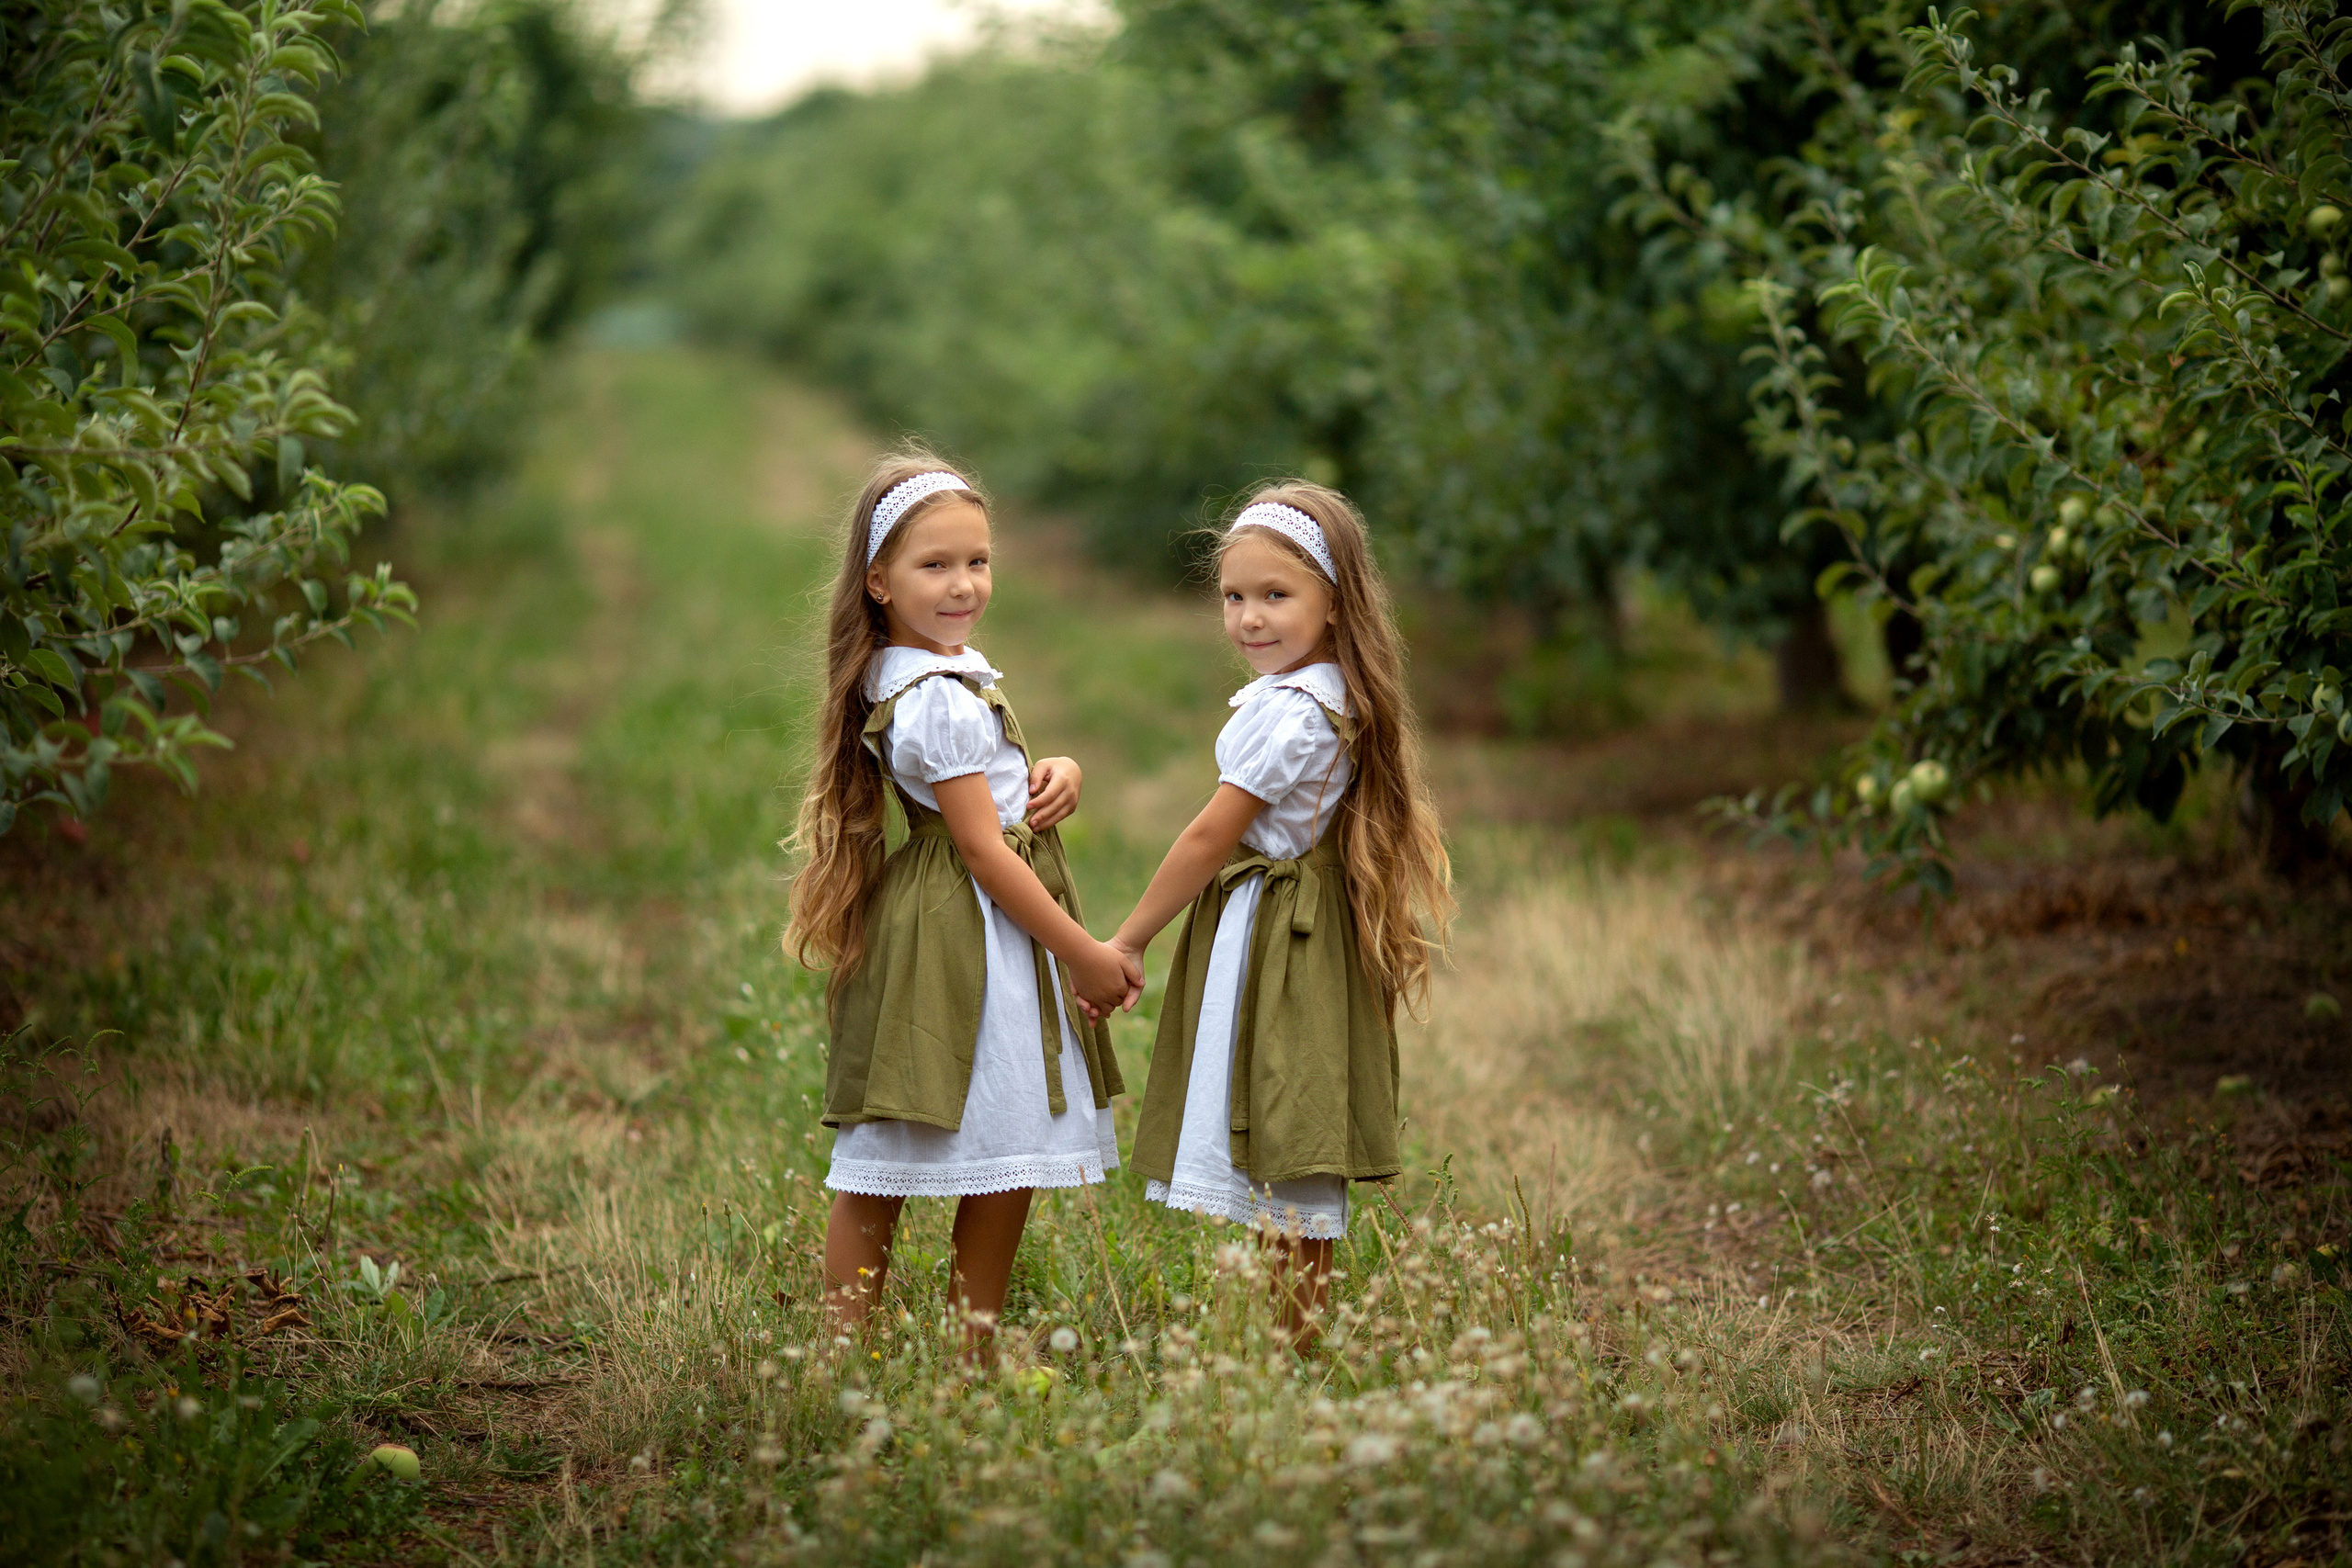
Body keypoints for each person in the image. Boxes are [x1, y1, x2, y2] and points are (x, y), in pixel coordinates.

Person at [783, 450, 1140, 1353]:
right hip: (964, 931)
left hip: (960, 917)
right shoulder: (934, 695)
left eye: (976, 561)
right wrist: (1082, 951)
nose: (963, 585)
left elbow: (984, 793)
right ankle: (861, 1347)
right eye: (933, 565)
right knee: (893, 1151)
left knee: (1002, 1137)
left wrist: (1057, 771)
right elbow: (982, 847)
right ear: (878, 581)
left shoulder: (928, 674)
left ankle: (950, 1345)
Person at [1113, 481, 1453, 1348]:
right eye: (1233, 596)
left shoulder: (1302, 711)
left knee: (1292, 1129)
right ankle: (1278, 1339)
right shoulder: (1309, 692)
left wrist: (1129, 936)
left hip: (1287, 937)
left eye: (1276, 595)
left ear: (1334, 604)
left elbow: (1207, 836)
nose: (1249, 618)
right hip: (1269, 924)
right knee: (1272, 1123)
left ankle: (1295, 1344)